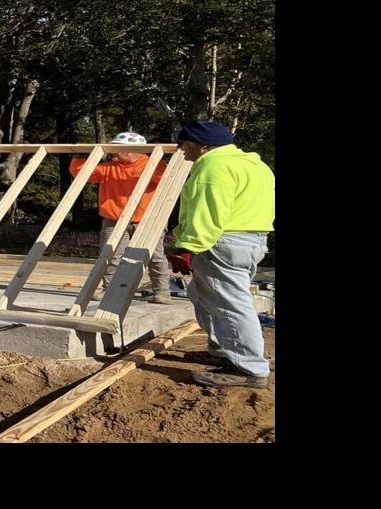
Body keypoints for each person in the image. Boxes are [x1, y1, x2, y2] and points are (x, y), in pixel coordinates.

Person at [171, 120, 275, 389]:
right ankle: (225, 351)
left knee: (230, 305)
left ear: (202, 146)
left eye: (185, 143)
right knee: (203, 295)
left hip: (221, 242)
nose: (181, 149)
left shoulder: (212, 166)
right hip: (250, 240)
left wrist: (188, 246)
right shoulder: (255, 166)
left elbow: (208, 212)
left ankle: (249, 369)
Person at [68, 131, 172, 303]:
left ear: (134, 151)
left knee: (154, 256)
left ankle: (162, 291)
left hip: (148, 218)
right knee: (110, 255)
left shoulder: (153, 164)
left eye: (119, 148)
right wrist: (79, 156)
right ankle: (109, 289)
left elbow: (166, 180)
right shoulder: (109, 168)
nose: (115, 152)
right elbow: (82, 173)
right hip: (114, 218)